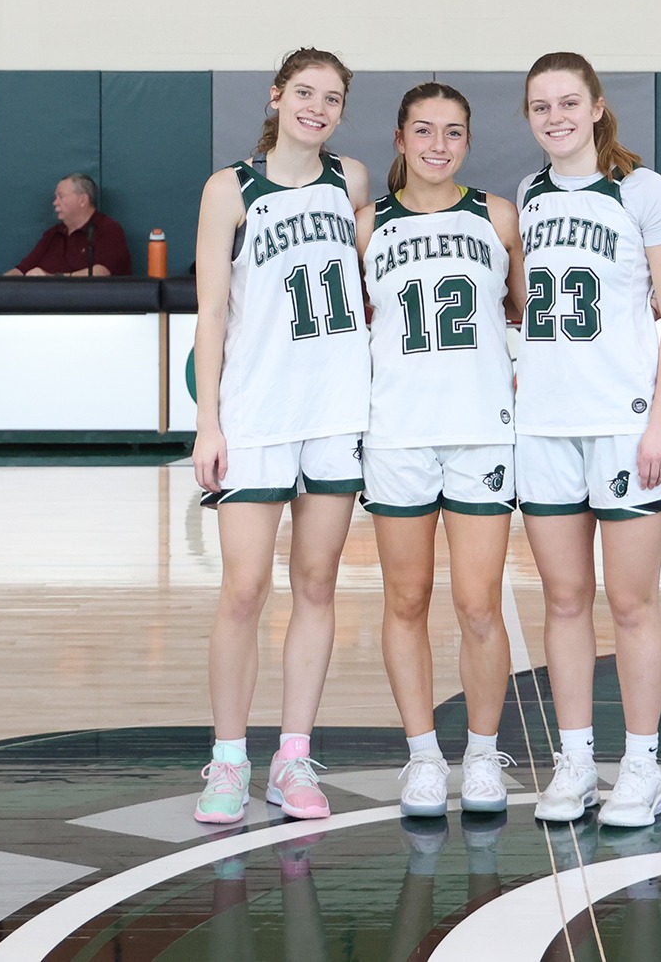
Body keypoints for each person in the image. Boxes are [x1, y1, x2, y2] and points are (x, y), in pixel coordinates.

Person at [190, 48, 372, 825]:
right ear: (276, 95)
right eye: (305, 92)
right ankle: (228, 760)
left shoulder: (352, 181)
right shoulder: (229, 188)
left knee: (318, 585)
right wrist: (207, 421)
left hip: (335, 410)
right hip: (257, 411)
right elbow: (212, 313)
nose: (318, 107)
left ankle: (292, 758)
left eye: (332, 97)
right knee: (242, 590)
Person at [515, 52, 661, 829]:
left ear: (595, 108)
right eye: (539, 106)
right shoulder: (526, 194)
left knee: (630, 602)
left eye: (566, 103)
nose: (554, 117)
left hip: (624, 425)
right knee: (563, 600)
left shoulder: (642, 189)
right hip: (546, 425)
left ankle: (643, 766)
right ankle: (577, 759)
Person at [361, 83, 527, 818]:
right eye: (423, 130)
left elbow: (526, 311)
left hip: (480, 430)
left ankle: (485, 755)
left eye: (453, 132)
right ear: (399, 138)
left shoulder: (498, 217)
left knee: (478, 603)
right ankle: (424, 757)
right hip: (396, 430)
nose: (438, 144)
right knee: (406, 597)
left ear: (467, 141)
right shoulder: (365, 227)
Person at [4, 173, 132, 277]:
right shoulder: (53, 235)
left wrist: (54, 279)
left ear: (82, 200)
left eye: (61, 196)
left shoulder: (107, 229)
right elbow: (22, 270)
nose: (55, 203)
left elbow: (101, 272)